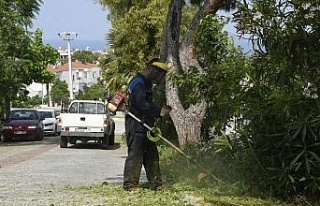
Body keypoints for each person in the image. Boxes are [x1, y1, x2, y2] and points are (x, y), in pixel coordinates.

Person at [123, 58, 171, 191]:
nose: (159, 78)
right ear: (150, 69)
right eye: (158, 74)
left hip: (146, 125)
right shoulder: (138, 83)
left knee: (151, 154)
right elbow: (142, 104)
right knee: (136, 154)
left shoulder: (146, 84)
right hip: (136, 124)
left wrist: (155, 117)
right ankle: (130, 184)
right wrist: (159, 111)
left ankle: (156, 183)